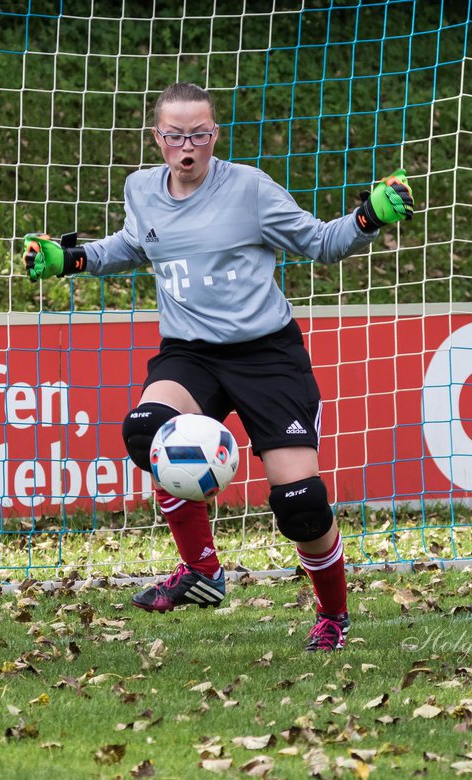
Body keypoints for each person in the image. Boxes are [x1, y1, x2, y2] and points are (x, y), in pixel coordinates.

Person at [22, 82, 414, 651]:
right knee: (145, 432)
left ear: (215, 135)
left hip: (266, 355)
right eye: (176, 135)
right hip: (192, 355)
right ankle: (203, 573)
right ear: (158, 138)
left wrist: (365, 219)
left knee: (300, 506)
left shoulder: (249, 190)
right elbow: (136, 245)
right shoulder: (141, 189)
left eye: (200, 135)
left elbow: (320, 244)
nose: (188, 147)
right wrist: (73, 257)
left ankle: (333, 615)